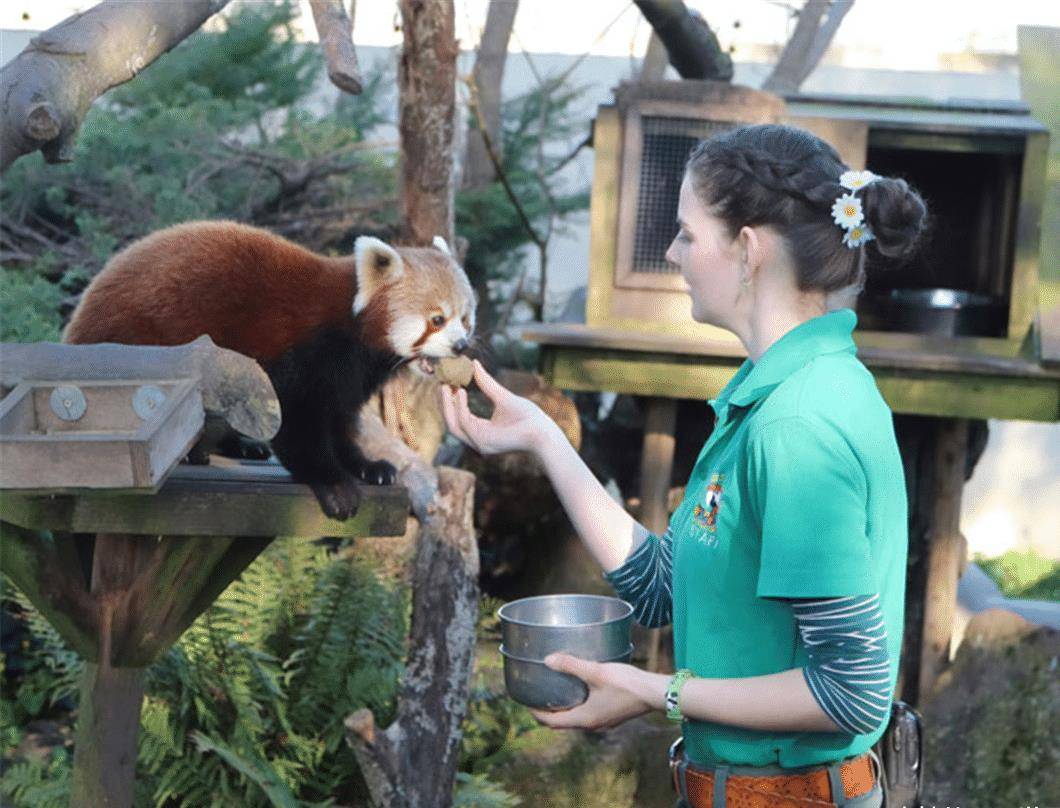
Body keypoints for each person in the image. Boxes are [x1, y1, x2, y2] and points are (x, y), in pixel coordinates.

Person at [438, 123, 928, 808]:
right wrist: (546, 441)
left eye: (688, 234)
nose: (672, 252)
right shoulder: (777, 394)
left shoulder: (797, 425)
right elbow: (661, 586)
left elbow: (849, 691)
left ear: (748, 249)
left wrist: (653, 691)